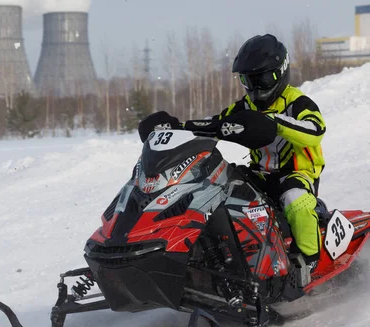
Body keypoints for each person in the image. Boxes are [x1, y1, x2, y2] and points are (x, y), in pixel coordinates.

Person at [138, 34, 326, 270]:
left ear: (280, 72)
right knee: (213, 185)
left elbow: (316, 130)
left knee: (295, 200)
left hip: (296, 174)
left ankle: (308, 262)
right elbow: (216, 124)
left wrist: (275, 123)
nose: (256, 88)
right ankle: (213, 254)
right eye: (249, 80)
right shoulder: (245, 106)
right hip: (259, 174)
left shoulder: (298, 103)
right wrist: (178, 127)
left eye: (263, 79)